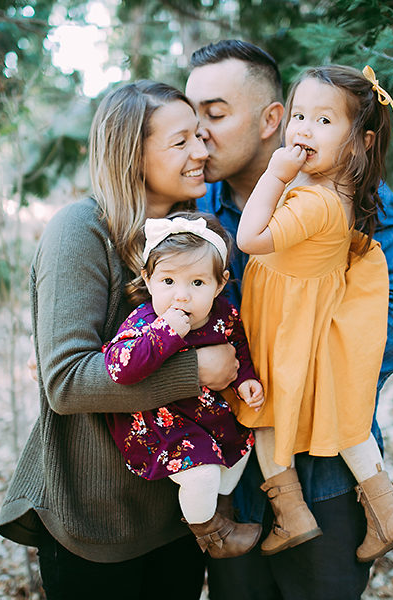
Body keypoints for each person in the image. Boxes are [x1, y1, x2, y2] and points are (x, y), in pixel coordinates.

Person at [185, 40, 393, 599]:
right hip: (233, 481)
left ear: (272, 119)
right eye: (191, 113)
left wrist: (303, 377)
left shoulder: (355, 196)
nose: (199, 131)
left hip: (326, 474)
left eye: (214, 114)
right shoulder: (199, 208)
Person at [0, 80, 242, 600]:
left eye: (199, 136)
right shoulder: (80, 231)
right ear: (132, 153)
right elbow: (66, 382)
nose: (201, 151)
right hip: (96, 522)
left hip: (177, 514)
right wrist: (197, 371)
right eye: (181, 141)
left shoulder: (194, 235)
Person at [235, 64, 393, 560]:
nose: (303, 129)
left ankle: (292, 514)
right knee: (346, 417)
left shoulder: (314, 201)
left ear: (360, 142)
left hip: (282, 327)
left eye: (323, 121)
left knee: (262, 415)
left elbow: (249, 238)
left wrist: (275, 174)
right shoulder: (340, 193)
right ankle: (387, 511)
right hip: (299, 318)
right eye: (298, 116)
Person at [103, 212, 265, 559]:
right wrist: (166, 333)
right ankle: (212, 534)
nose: (181, 296)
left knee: (242, 446)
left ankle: (216, 505)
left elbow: (237, 344)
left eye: (197, 283)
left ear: (219, 284)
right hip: (161, 424)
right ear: (148, 279)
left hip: (205, 414)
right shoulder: (145, 321)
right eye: (168, 281)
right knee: (201, 474)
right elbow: (120, 368)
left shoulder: (223, 313)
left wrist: (245, 378)